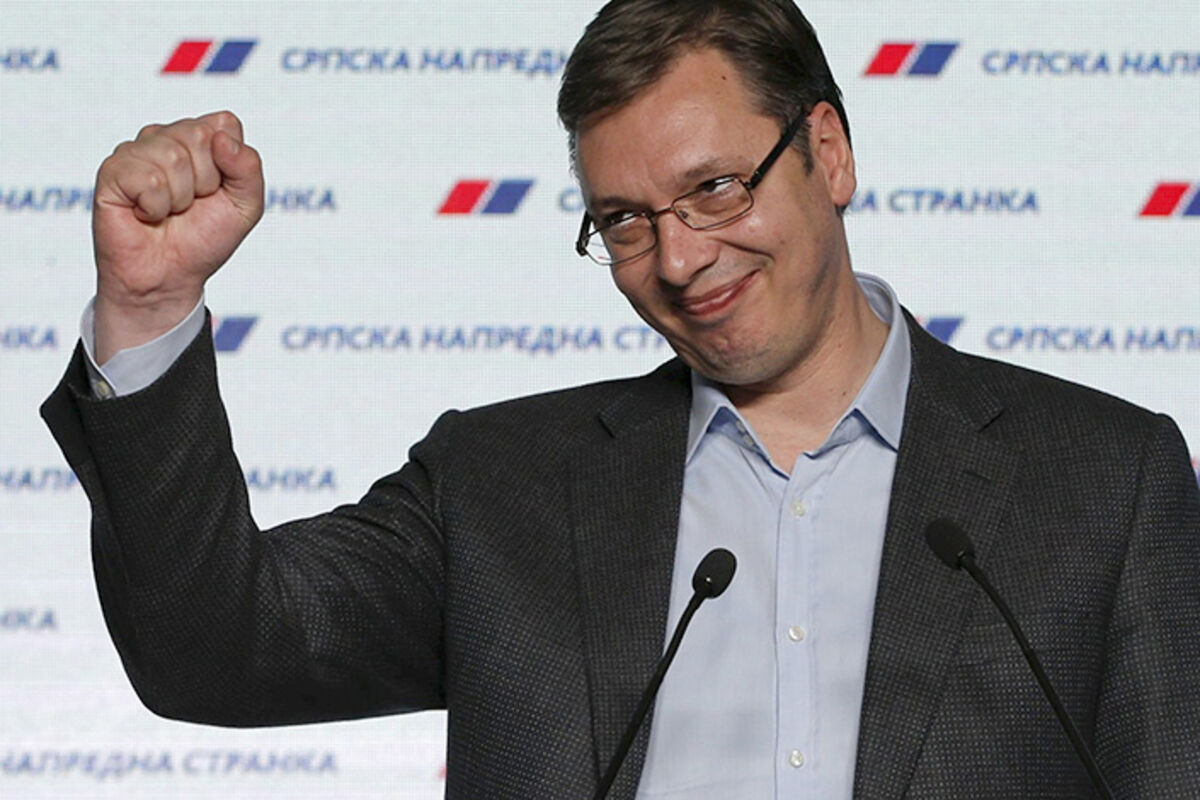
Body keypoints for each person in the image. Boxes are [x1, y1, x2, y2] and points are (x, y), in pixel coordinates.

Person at [41, 0, 1200, 798]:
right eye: (626, 221)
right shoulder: (497, 485)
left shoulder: (1107, 478)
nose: (680, 258)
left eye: (716, 188)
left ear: (830, 152)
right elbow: (213, 650)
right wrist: (150, 308)